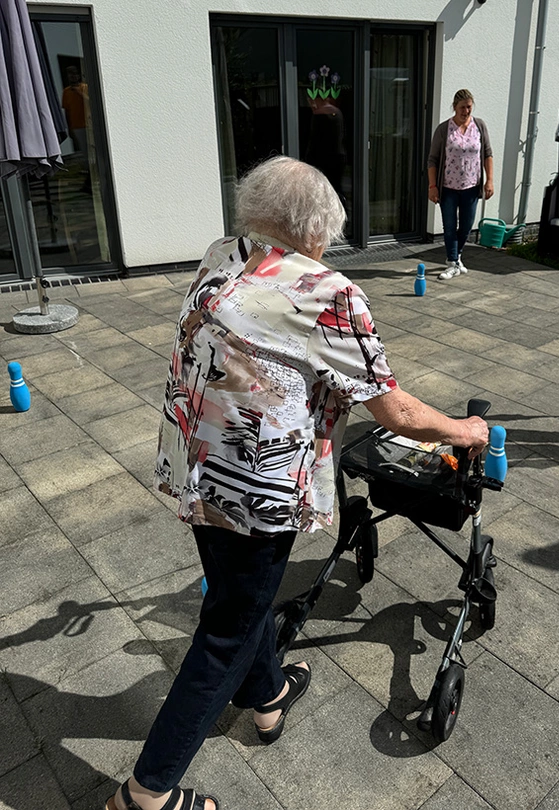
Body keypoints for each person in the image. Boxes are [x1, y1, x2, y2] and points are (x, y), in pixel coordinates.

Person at [105, 156, 488, 810]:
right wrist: (465, 429)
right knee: (223, 633)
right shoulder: (327, 293)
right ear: (314, 228)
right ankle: (144, 795)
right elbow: (393, 411)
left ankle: (268, 695)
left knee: (240, 599)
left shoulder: (220, 252)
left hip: (197, 463)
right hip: (255, 485)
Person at [427, 89, 494, 280]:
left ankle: (458, 257)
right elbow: (432, 160)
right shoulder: (443, 129)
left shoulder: (479, 126)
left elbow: (488, 154)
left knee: (466, 226)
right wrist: (433, 186)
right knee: (449, 226)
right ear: (454, 107)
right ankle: (451, 262)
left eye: (469, 107)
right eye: (462, 107)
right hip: (448, 187)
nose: (466, 111)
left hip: (471, 187)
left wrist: (489, 180)